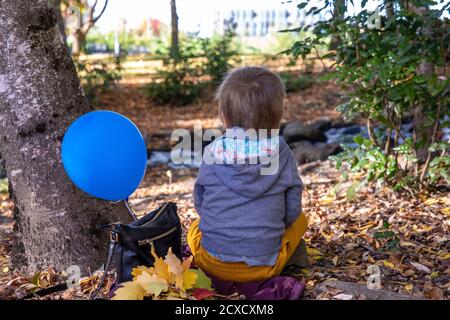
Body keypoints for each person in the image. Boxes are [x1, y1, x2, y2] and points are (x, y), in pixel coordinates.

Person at [188, 66, 308, 282]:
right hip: (265, 267)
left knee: (194, 229)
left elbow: (201, 202)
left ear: (224, 115)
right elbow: (292, 211)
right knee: (301, 221)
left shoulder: (213, 151)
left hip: (211, 264)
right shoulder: (281, 153)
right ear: (277, 115)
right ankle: (291, 259)